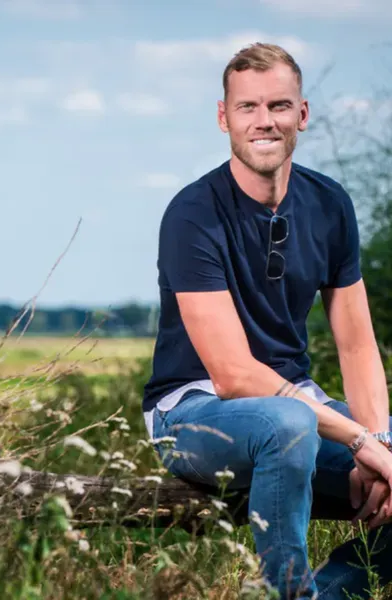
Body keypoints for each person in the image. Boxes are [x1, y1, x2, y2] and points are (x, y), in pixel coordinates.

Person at [142, 42, 392, 599]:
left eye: (278, 105)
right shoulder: (192, 214)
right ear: (223, 117)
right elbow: (233, 375)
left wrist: (381, 443)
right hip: (193, 412)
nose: (264, 121)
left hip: (298, 409)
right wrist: (359, 441)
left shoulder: (329, 204)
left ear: (301, 114)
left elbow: (356, 345)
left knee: (320, 428)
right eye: (247, 107)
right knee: (288, 424)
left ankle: (330, 593)